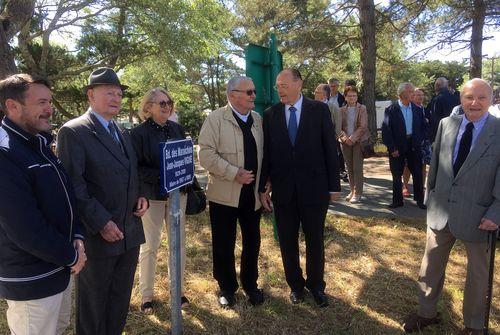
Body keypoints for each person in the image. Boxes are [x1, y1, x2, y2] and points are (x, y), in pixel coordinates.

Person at [403, 78, 500, 335]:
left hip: (480, 215)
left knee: (478, 276)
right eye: (469, 97)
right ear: (461, 99)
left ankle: (474, 326)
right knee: (430, 266)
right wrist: (430, 197)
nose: (474, 102)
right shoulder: (447, 124)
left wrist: (496, 212)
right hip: (440, 211)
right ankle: (426, 312)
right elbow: (435, 165)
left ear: (491, 100)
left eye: (481, 97)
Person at [57, 67, 149, 335]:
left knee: (119, 301)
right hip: (98, 237)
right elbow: (73, 185)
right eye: (109, 92)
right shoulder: (74, 131)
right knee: (93, 306)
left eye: (119, 94)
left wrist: (141, 193)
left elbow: (134, 169)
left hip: (129, 232)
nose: (116, 98)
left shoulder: (121, 130)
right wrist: (101, 223)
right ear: (90, 95)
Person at [0, 74, 86, 335]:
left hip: (58, 266)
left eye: (49, 101)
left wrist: (77, 236)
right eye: (41, 102)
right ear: (13, 106)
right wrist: (70, 255)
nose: (49, 108)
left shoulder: (37, 142)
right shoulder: (5, 152)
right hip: (31, 278)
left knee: (58, 329)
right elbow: (24, 227)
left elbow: (65, 196)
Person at [259, 69, 341, 307]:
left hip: (315, 190)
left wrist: (334, 186)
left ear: (299, 84)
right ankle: (295, 286)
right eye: (277, 86)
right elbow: (268, 155)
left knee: (315, 239)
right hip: (284, 191)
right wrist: (264, 185)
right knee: (287, 241)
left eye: (283, 85)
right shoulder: (270, 114)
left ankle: (316, 286)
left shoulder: (319, 110)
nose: (279, 90)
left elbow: (330, 149)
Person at [198, 76, 264, 308]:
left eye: (254, 91)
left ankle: (251, 285)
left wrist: (266, 185)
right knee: (224, 243)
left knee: (252, 241)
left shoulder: (257, 120)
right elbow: (205, 154)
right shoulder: (215, 119)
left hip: (252, 195)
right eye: (249, 92)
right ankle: (226, 287)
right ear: (233, 95)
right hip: (224, 195)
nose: (253, 96)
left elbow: (265, 155)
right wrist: (233, 172)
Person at [130, 88, 190, 313]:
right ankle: (146, 295)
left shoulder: (177, 128)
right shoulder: (137, 134)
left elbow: (183, 159)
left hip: (178, 196)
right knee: (150, 247)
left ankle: (179, 291)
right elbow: (135, 169)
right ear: (148, 107)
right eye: (162, 103)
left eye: (169, 102)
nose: (167, 106)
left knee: (179, 245)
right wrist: (163, 173)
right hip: (153, 198)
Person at [382, 83, 427, 209]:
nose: (413, 93)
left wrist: (420, 139)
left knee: (417, 173)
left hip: (414, 144)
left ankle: (420, 200)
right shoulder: (391, 110)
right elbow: (386, 131)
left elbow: (424, 127)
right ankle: (397, 201)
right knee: (397, 175)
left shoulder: (417, 109)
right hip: (397, 146)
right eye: (411, 91)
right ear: (402, 94)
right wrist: (392, 148)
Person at [338, 85, 369, 203]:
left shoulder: (362, 108)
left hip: (358, 142)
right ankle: (352, 191)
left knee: (357, 168)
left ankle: (358, 193)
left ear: (357, 97)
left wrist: (352, 139)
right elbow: (338, 127)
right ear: (345, 97)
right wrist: (345, 138)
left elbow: (363, 126)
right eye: (349, 96)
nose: (352, 98)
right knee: (349, 168)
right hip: (345, 142)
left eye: (354, 95)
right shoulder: (341, 110)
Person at [403, 87, 431, 196]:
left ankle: (421, 187)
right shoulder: (409, 109)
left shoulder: (425, 109)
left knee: (423, 165)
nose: (420, 97)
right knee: (407, 165)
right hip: (411, 141)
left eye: (422, 95)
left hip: (424, 141)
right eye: (418, 94)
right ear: (412, 96)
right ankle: (405, 186)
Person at [427, 77, 460, 143]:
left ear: (436, 86)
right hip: (456, 132)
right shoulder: (456, 98)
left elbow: (434, 119)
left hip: (440, 133)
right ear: (446, 85)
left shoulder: (437, 99)